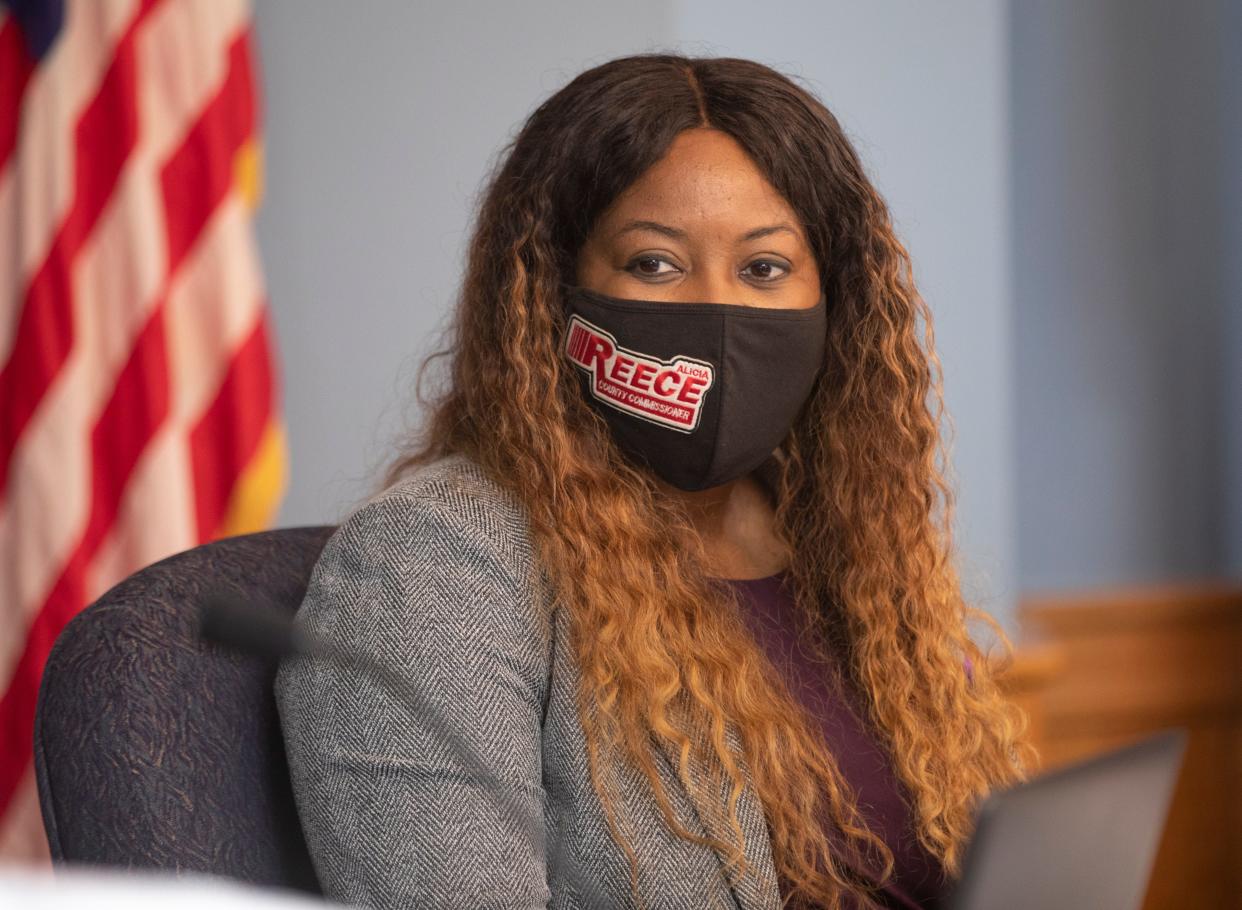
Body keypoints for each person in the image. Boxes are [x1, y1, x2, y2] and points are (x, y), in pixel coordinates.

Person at [274, 53, 1038, 910]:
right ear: (552, 291)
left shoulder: (847, 545)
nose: (717, 311)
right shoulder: (437, 560)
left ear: (835, 301)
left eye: (763, 269)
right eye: (653, 264)